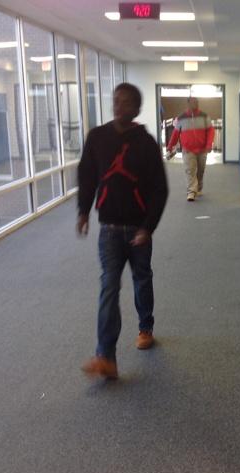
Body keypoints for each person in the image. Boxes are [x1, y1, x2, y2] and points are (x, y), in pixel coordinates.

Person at [77, 83, 169, 380]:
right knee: (109, 287)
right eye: (116, 100)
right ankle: (106, 357)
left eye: (126, 102)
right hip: (109, 229)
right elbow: (87, 174)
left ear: (136, 108)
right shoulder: (97, 137)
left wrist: (148, 227)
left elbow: (160, 189)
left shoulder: (146, 143)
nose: (119, 106)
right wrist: (83, 210)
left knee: (142, 279)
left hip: (138, 230)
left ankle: (146, 327)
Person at [166, 97, 214, 202]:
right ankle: (191, 191)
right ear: (188, 104)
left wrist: (209, 144)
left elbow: (210, 131)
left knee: (200, 170)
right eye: (192, 102)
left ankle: (199, 187)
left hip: (202, 149)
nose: (194, 104)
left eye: (196, 102)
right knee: (190, 170)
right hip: (188, 149)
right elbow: (175, 133)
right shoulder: (181, 118)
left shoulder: (204, 116)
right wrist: (170, 146)